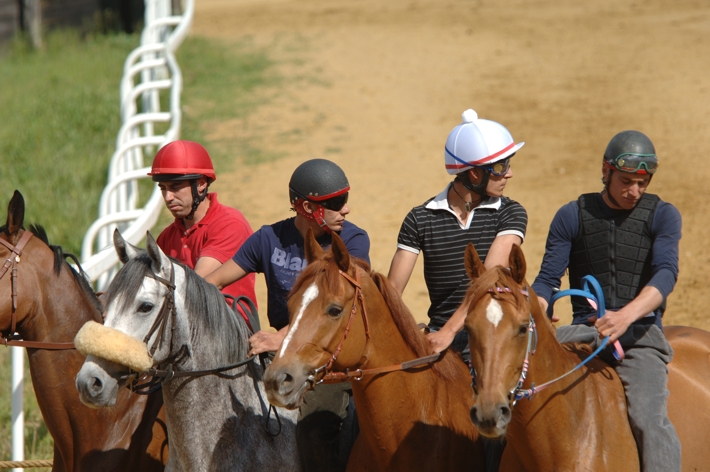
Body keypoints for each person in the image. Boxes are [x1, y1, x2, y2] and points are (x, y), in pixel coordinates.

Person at [206, 158, 370, 472]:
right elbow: (215, 281)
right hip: (281, 349)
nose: (345, 210)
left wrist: (280, 338)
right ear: (306, 207)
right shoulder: (268, 239)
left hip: (326, 353)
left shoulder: (351, 241)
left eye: (344, 200)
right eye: (334, 204)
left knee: (312, 430)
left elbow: (333, 306)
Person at [532, 130, 682, 472]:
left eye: (642, 183)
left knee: (650, 420)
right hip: (583, 333)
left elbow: (665, 275)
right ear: (606, 171)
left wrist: (626, 316)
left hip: (640, 336)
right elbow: (546, 281)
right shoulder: (571, 215)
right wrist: (536, 311)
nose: (635, 192)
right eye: (627, 182)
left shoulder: (663, 215)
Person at [387, 108, 528, 360]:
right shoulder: (419, 219)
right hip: (442, 342)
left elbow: (487, 279)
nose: (509, 173)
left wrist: (448, 332)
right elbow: (392, 292)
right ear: (474, 173)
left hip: (492, 339)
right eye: (500, 166)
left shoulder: (511, 213)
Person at [148, 139, 257, 324]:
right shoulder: (166, 237)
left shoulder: (230, 224)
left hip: (232, 334)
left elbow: (199, 284)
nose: (168, 197)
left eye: (175, 187)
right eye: (163, 188)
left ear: (200, 184)